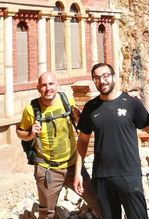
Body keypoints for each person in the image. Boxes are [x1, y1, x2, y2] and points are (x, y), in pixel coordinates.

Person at [73, 63, 149, 219]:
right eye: (97, 78)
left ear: (114, 77)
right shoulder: (90, 108)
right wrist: (78, 172)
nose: (102, 81)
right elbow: (82, 141)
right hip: (102, 177)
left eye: (105, 76)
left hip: (129, 175)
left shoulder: (132, 103)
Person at [16, 72, 102, 219]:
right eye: (43, 85)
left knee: (99, 204)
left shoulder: (66, 100)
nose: (48, 88)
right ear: (38, 88)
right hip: (47, 170)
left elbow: (77, 124)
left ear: (57, 85)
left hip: (73, 166)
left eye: (51, 84)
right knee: (47, 213)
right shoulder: (31, 110)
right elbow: (19, 132)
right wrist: (30, 134)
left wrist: (77, 118)